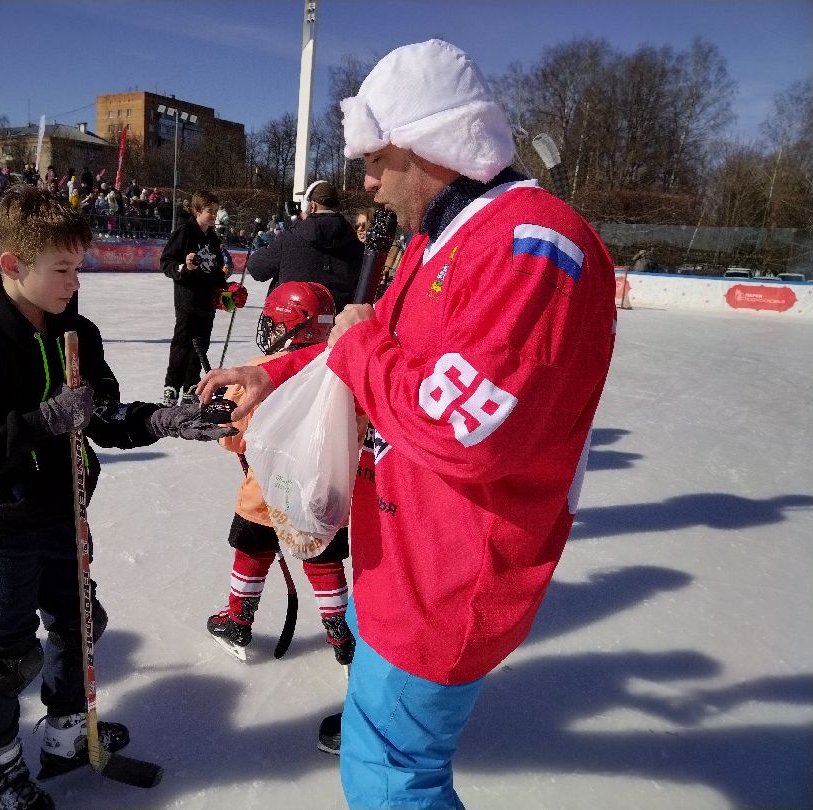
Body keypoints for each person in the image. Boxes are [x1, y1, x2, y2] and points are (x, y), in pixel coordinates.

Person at [197, 39, 617, 808]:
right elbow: (364, 349)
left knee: (393, 781)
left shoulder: (530, 247)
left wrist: (357, 347)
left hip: (449, 576)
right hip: (400, 553)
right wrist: (269, 374)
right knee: (380, 750)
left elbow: (468, 430)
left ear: (430, 147)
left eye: (375, 159)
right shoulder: (439, 240)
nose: (364, 180)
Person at [0, 185, 236, 810]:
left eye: (78, 265)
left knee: (80, 626)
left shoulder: (78, 332)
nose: (74, 280)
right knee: (10, 654)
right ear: (13, 265)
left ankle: (66, 736)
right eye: (61, 269)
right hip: (3, 529)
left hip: (64, 514)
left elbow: (105, 415)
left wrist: (165, 420)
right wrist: (40, 422)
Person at [207, 281, 363, 668]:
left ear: (288, 327)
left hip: (263, 495)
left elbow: (233, 440)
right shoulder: (347, 370)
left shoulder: (259, 372)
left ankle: (239, 620)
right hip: (323, 493)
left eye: (276, 325)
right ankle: (340, 632)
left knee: (252, 552)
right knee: (323, 561)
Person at [159, 190, 245, 405]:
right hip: (187, 300)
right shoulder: (184, 232)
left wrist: (227, 294)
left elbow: (216, 272)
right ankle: (172, 385)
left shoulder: (213, 238)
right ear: (197, 210)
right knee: (183, 343)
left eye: (216, 211)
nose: (214, 215)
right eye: (210, 211)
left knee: (202, 344)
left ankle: (191, 385)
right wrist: (184, 267)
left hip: (207, 302)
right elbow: (166, 262)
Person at [247, 180, 364, 312]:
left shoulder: (290, 238)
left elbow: (257, 268)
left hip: (292, 324)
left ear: (311, 206)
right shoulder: (356, 243)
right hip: (340, 326)